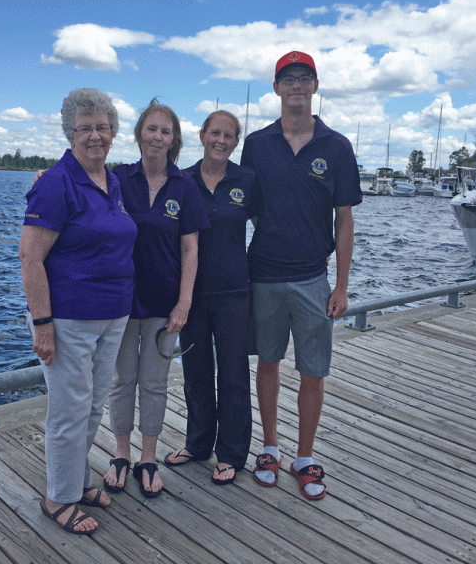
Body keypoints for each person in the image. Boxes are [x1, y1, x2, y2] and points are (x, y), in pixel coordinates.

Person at [240, 51, 362, 500]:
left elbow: (344, 219)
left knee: (313, 371)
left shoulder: (336, 146)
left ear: (315, 86)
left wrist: (343, 285)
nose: (296, 86)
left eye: (303, 78)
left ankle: (305, 457)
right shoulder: (255, 145)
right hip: (263, 276)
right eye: (287, 79)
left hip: (314, 278)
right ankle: (270, 447)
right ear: (276, 88)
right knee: (267, 362)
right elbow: (239, 203)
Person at [19, 88, 137, 535]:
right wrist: (42, 324)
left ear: (112, 133)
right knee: (69, 410)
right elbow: (30, 258)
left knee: (91, 406)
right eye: (84, 128)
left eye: (102, 127)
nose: (94, 135)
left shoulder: (114, 181)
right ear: (70, 133)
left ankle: (76, 481)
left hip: (113, 315)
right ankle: (58, 498)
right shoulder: (55, 183)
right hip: (68, 318)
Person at [103, 99, 210, 498]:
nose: (158, 137)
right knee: (121, 381)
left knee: (153, 383)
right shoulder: (117, 179)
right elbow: (78, 185)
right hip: (120, 302)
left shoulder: (185, 187)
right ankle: (120, 454)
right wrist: (44, 176)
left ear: (174, 139)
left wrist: (184, 302)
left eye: (166, 131)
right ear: (139, 134)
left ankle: (147, 458)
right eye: (151, 129)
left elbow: (190, 250)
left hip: (165, 307)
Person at [163, 110, 257, 485]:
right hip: (191, 294)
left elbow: (270, 226)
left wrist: (316, 247)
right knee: (196, 371)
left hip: (235, 291)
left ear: (236, 142)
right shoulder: (181, 179)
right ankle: (198, 444)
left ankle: (232, 453)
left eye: (229, 136)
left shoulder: (247, 180)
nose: (221, 140)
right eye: (214, 133)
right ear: (201, 135)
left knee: (234, 374)